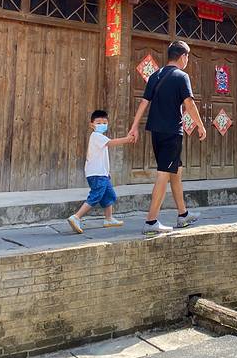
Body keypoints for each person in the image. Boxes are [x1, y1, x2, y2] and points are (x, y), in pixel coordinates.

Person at [128, 40, 206, 235]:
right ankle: (151, 221)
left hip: (156, 132)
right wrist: (200, 125)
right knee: (164, 174)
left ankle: (183, 214)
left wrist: (134, 126)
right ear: (182, 56)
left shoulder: (155, 75)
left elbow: (144, 103)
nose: (187, 60)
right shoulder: (182, 76)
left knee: (175, 171)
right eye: (187, 56)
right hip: (171, 132)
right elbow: (189, 104)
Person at [68, 109, 134, 234]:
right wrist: (127, 139)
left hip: (102, 174)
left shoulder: (100, 137)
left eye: (104, 122)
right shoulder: (96, 136)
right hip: (97, 174)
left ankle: (109, 219)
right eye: (98, 123)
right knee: (96, 195)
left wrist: (107, 172)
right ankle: (76, 217)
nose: (102, 125)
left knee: (109, 195)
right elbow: (111, 143)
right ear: (91, 125)